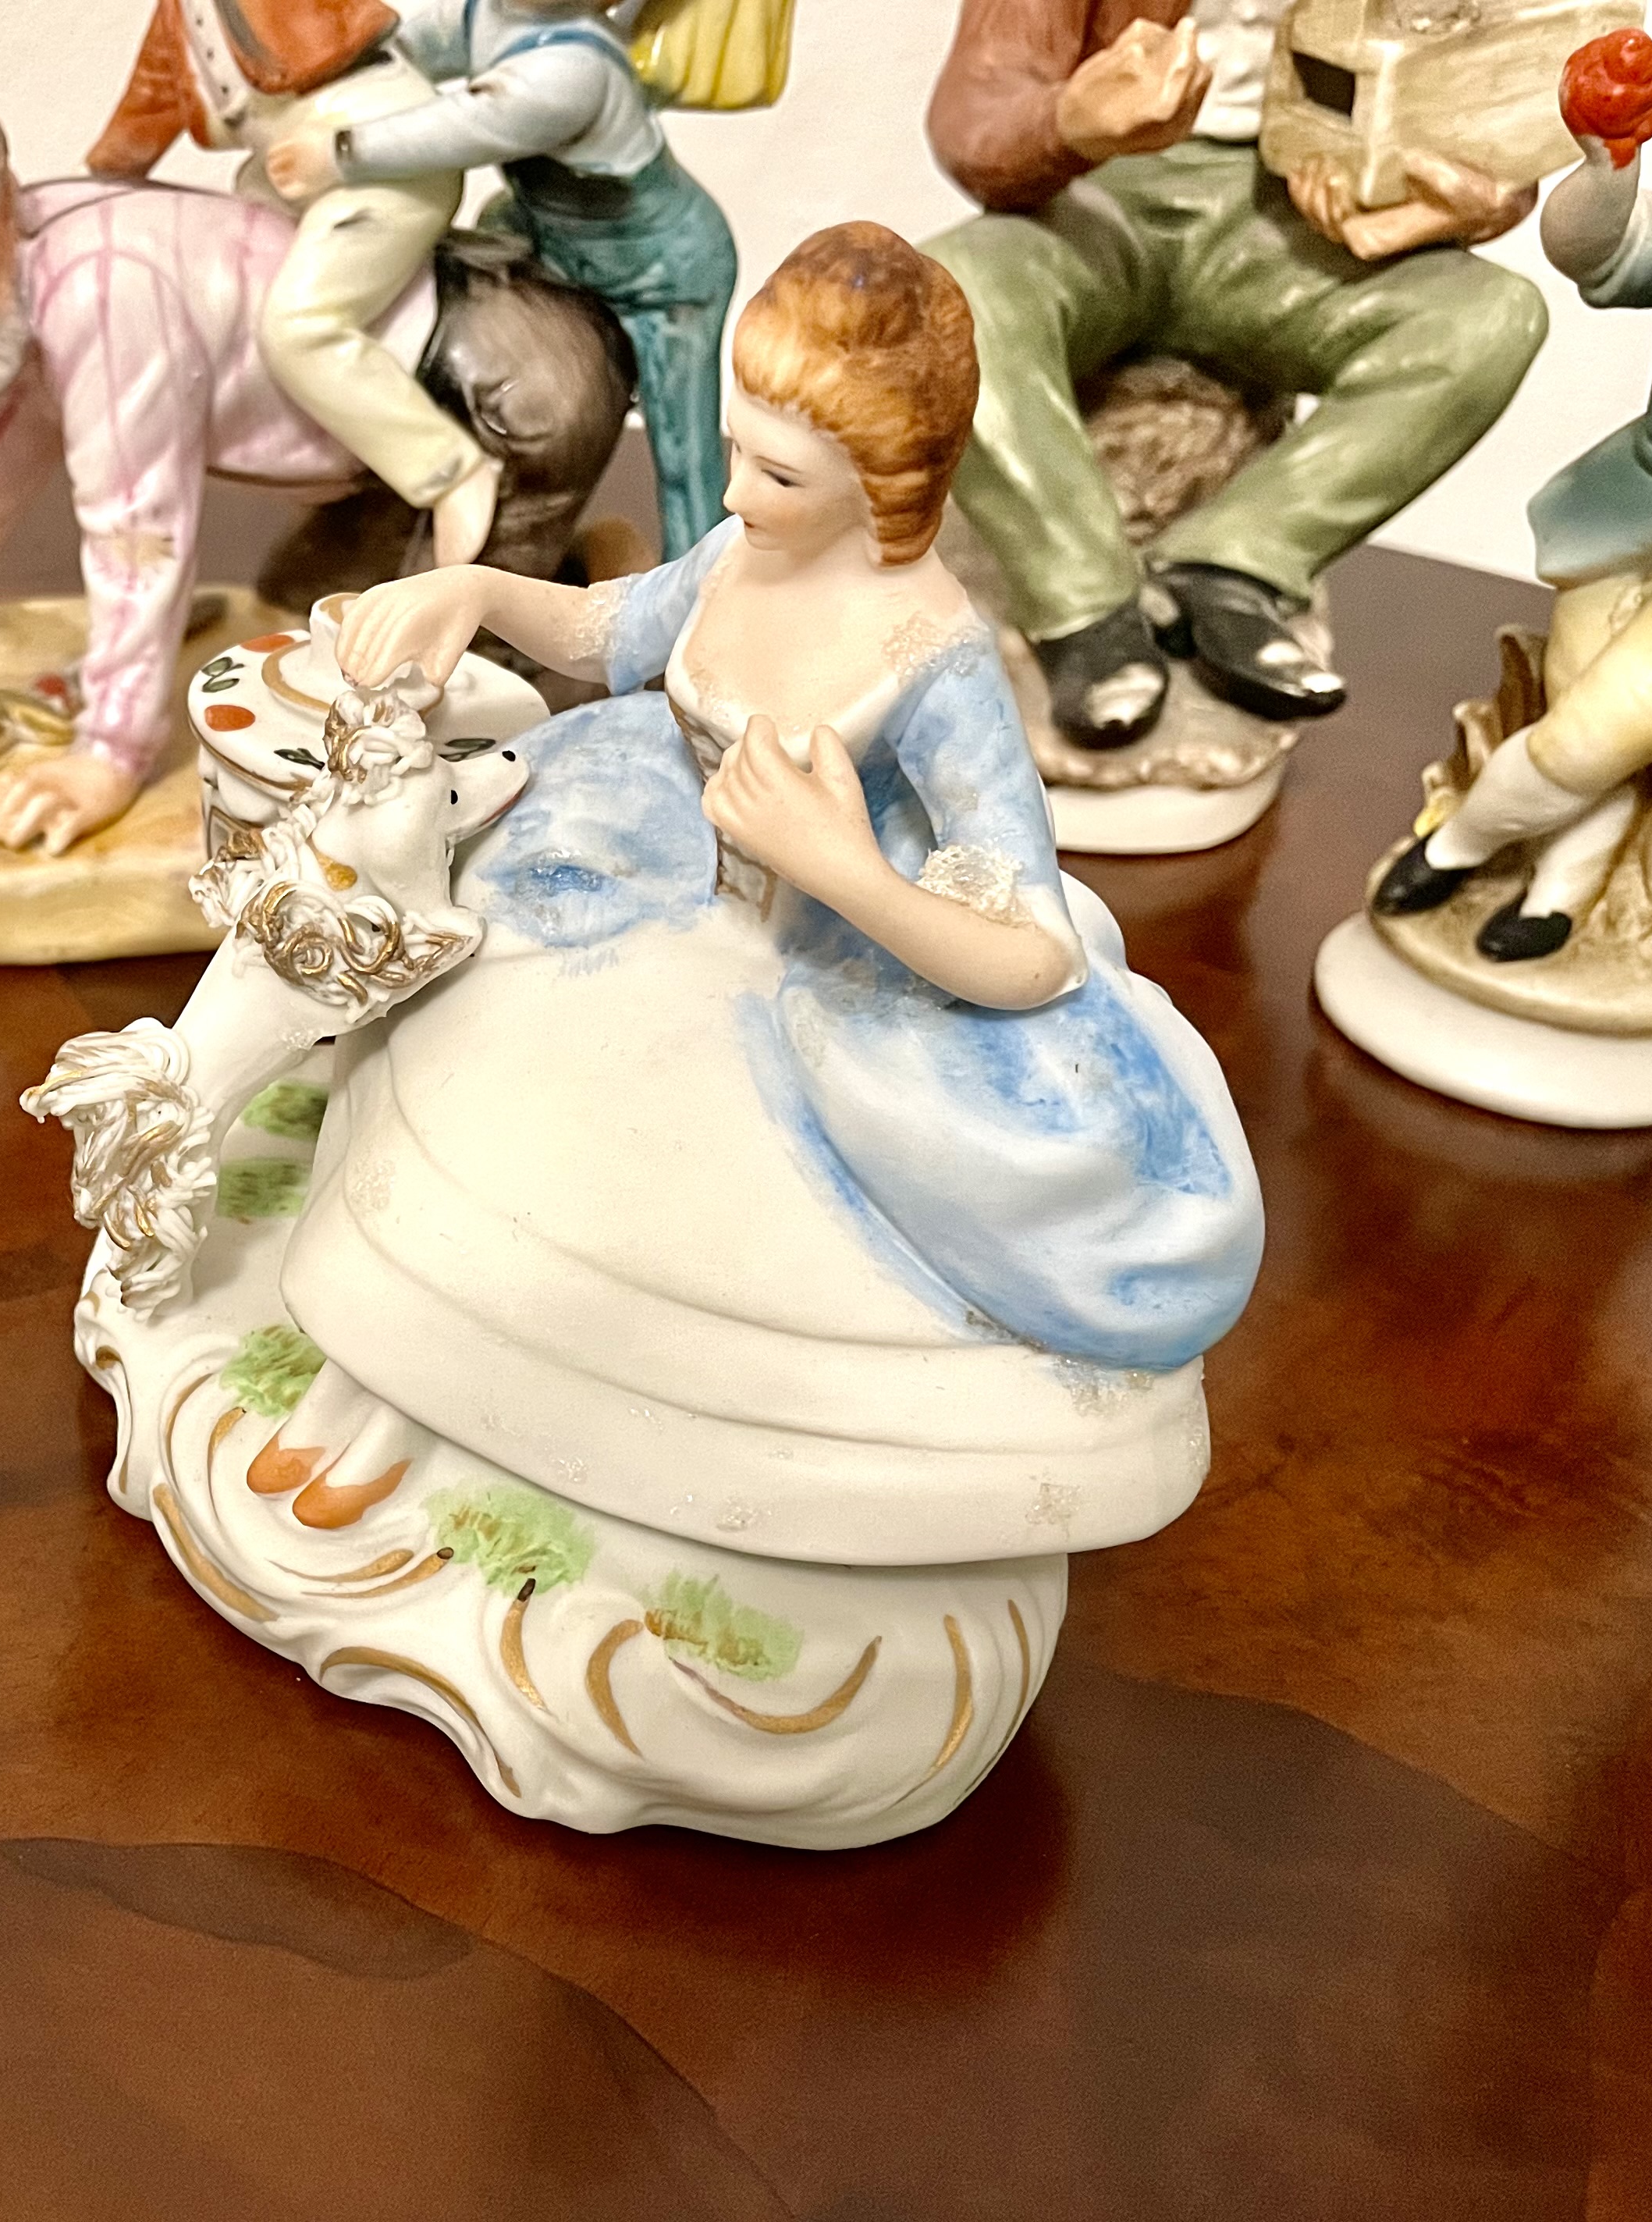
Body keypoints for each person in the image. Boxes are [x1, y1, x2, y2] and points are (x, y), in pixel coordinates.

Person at [303, 224, 1263, 1561]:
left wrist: (843, 869)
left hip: (814, 964)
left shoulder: (933, 661)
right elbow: (613, 629)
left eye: (780, 472)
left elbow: (1034, 952)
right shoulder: (740, 552)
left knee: (589, 1187)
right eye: (734, 448)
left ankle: (522, 1449)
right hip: (651, 865)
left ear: (883, 485)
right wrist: (474, 588)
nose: (736, 490)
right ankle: (369, 1384)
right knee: (438, 1034)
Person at [0, 32, 625, 856]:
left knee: (441, 708)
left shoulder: (101, 292)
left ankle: (601, 668)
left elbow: (138, 535)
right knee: (303, 604)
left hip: (508, 389)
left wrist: (111, 750)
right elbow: (4, 434)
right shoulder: (27, 287)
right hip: (399, 437)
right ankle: (585, 571)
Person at [922, 0, 1547, 750]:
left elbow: (1483, 91)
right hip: (1097, 199)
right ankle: (1085, 605)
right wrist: (1069, 121)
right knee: (951, 290)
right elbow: (975, 110)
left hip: (1282, 226)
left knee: (1492, 316)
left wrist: (1473, 199)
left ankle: (1236, 561)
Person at [1377, 5, 1652, 963]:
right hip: (1630, 513)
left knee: (1594, 734)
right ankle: (1561, 898)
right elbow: (1594, 251)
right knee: (1582, 712)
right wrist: (1609, 165)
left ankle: (1455, 844)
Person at [261, 0, 740, 563]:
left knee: (684, 456)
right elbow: (401, 55)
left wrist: (341, 151)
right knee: (467, 268)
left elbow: (464, 128)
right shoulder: (486, 14)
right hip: (546, 227)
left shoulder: (573, 70)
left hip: (660, 270)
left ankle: (701, 585)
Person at [91, 2, 505, 566]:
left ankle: (450, 471)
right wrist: (86, 195)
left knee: (300, 328)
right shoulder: (180, 15)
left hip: (380, 161)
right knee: (223, 262)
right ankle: (316, 443)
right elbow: (145, 113)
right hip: (286, 172)